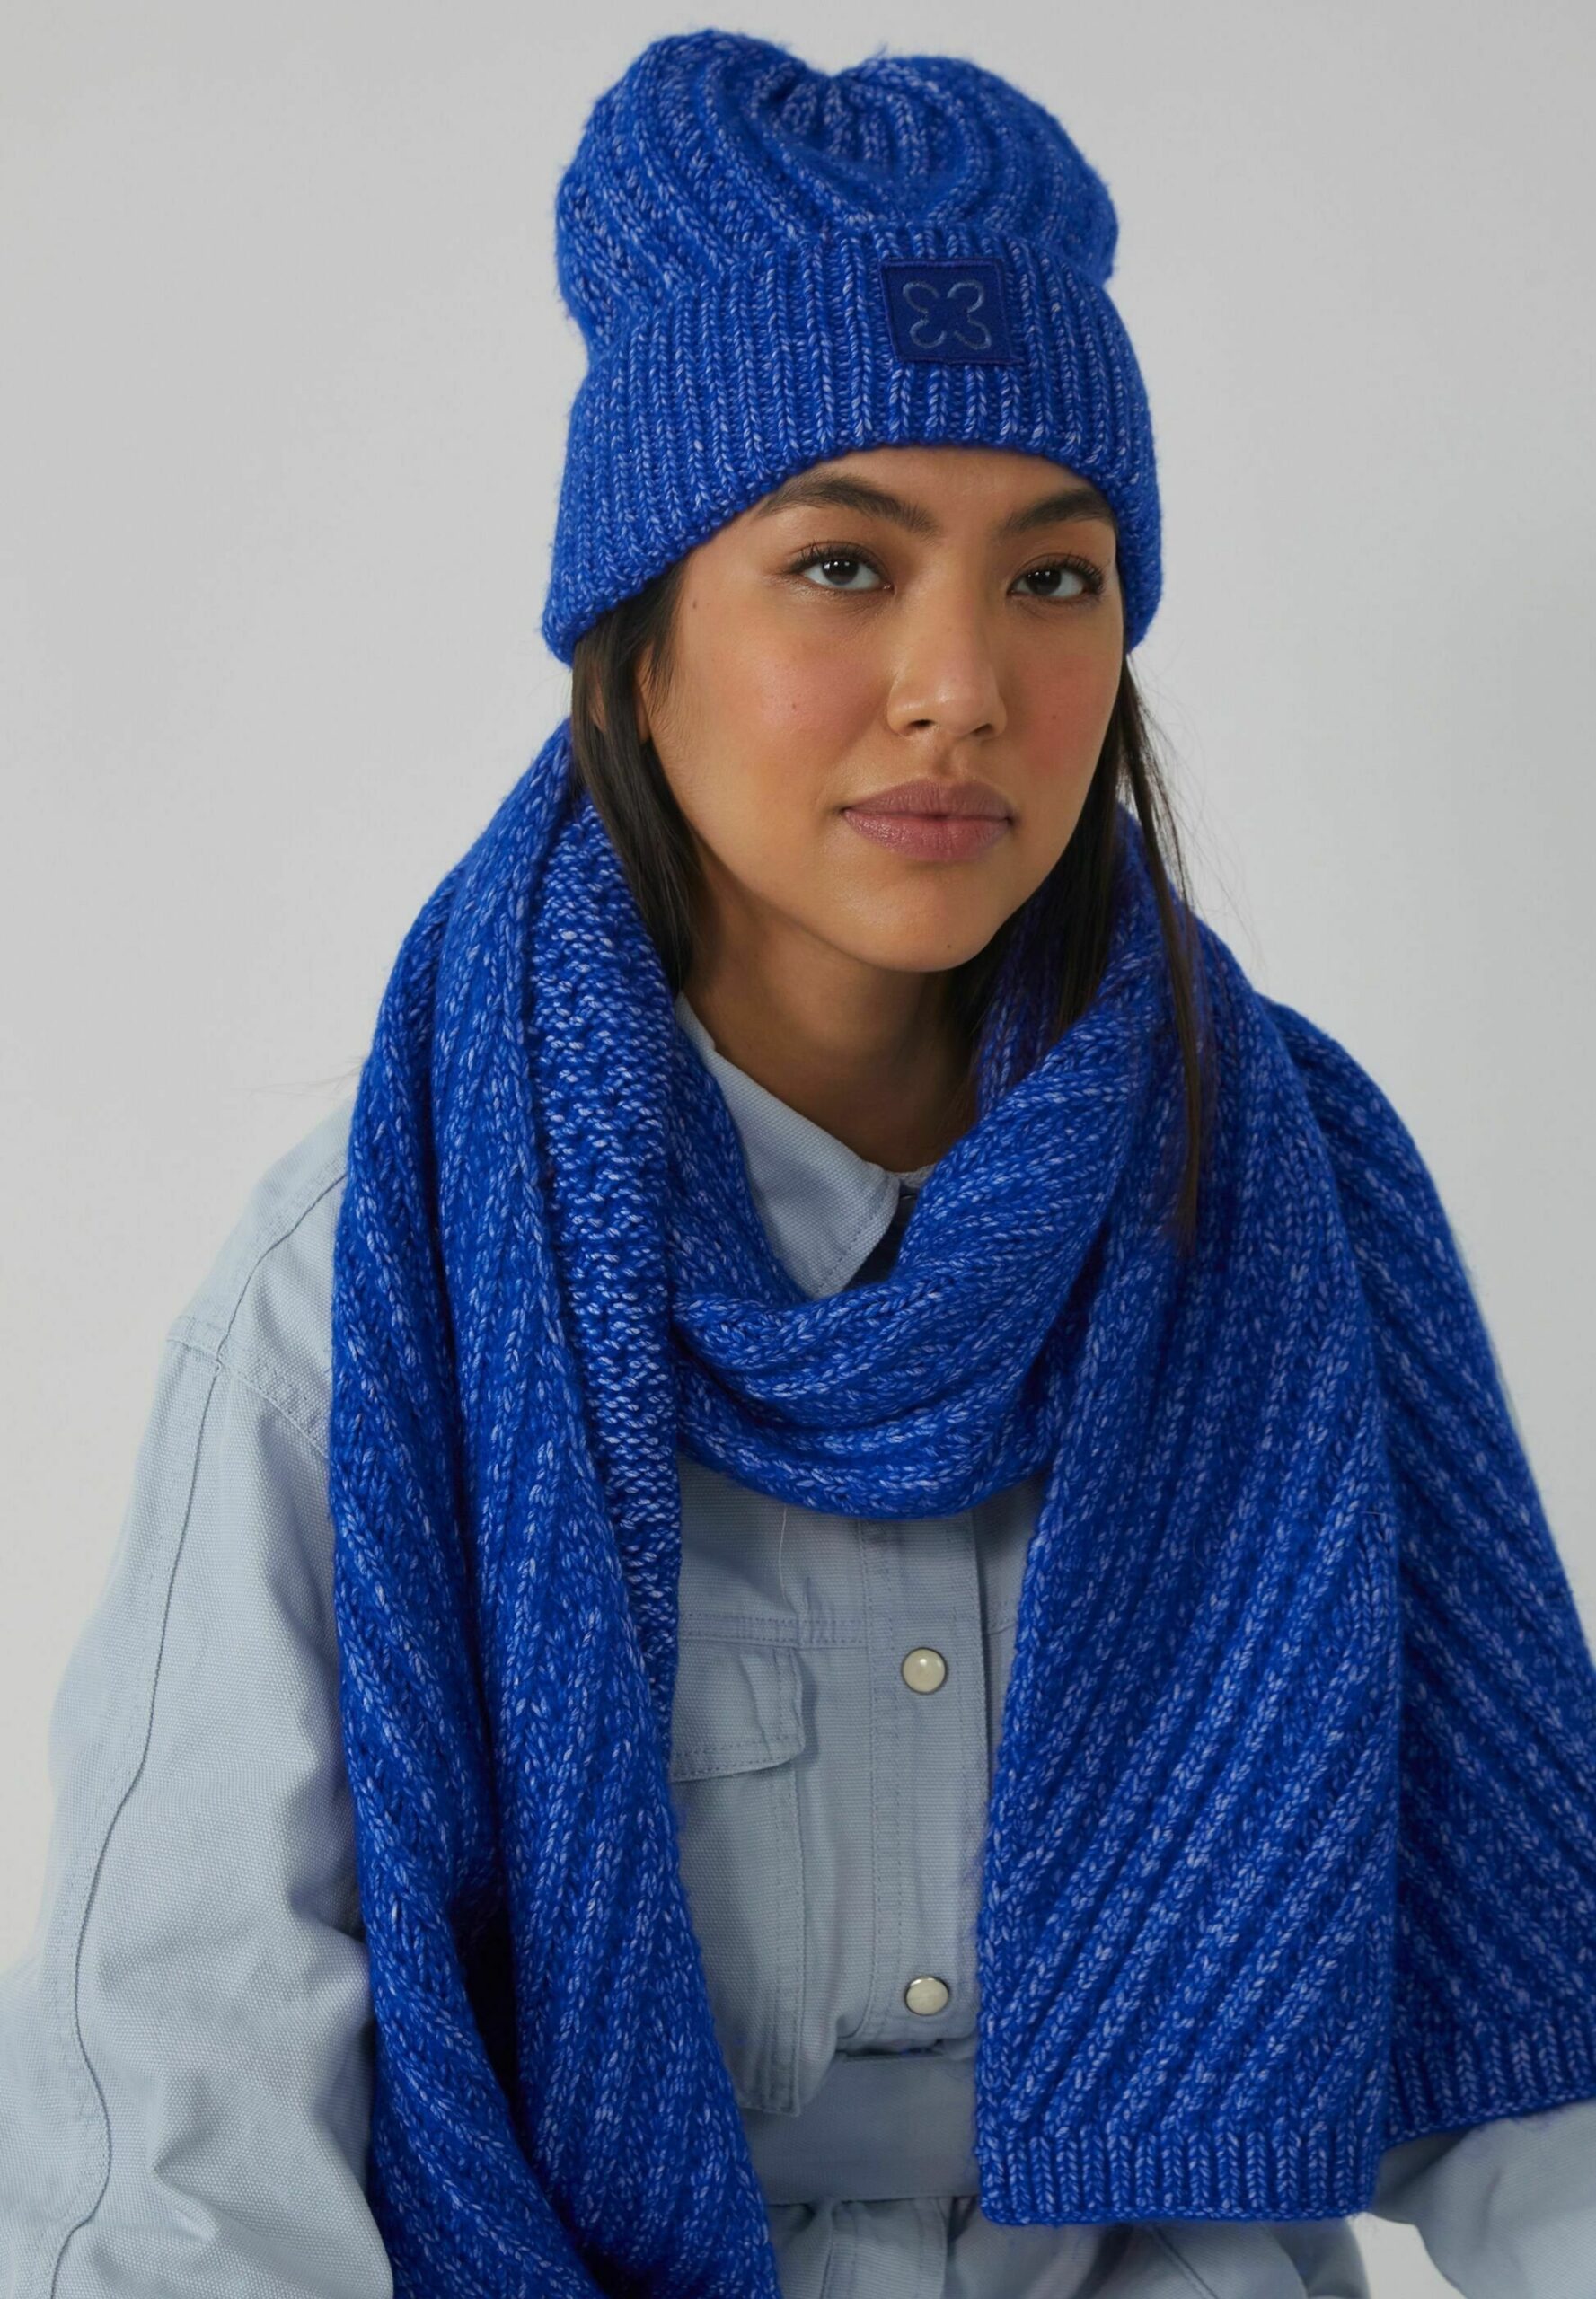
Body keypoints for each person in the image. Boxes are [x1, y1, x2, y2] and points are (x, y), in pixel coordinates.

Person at [4, 27, 1596, 2299]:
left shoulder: (1285, 1206)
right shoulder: (373, 1287)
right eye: (842, 561)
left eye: (1055, 577)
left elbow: (1535, 2066)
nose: (963, 684)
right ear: (636, 637)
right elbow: (186, 2151)